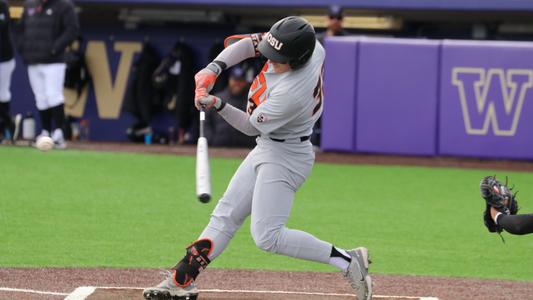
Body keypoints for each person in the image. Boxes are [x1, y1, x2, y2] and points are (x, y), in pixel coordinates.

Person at [143, 16, 372, 300]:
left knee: (268, 237)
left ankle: (348, 261)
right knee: (225, 216)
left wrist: (218, 103)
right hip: (269, 146)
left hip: (287, 156)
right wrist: (213, 68)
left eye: (279, 59)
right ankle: (182, 281)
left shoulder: (291, 93)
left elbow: (251, 126)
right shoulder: (311, 47)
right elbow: (250, 45)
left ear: (298, 60)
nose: (270, 60)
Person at [17, 0, 79, 148]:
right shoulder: (30, 4)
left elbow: (72, 30)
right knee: (41, 98)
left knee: (54, 96)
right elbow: (20, 29)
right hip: (33, 60)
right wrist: (23, 49)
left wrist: (54, 48)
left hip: (54, 61)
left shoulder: (64, 5)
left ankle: (59, 133)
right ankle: (46, 131)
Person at [204, 65, 255, 148]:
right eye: (235, 80)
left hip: (244, 149)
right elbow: (207, 122)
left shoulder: (252, 101)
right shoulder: (217, 99)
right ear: (229, 80)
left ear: (246, 82)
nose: (237, 83)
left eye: (241, 80)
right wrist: (211, 140)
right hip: (218, 148)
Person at [0, 0, 15, 142]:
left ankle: (6, 127)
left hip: (4, 58)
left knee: (2, 94)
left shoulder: (2, 5)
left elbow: (3, 24)